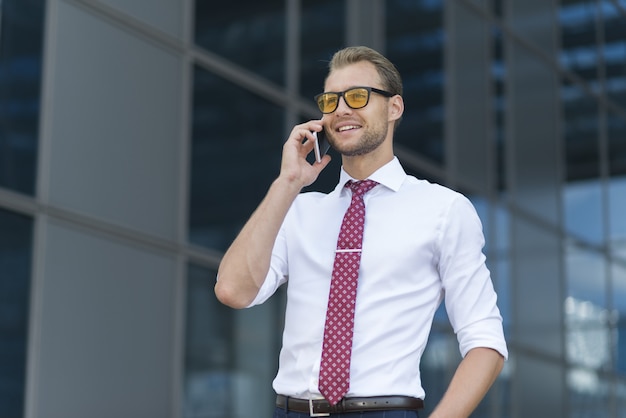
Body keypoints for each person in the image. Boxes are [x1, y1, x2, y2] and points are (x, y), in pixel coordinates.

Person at [215, 45, 507, 418]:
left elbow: (485, 342)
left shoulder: (443, 210)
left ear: (394, 108)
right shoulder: (298, 210)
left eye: (357, 96)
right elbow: (233, 291)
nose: (341, 109)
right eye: (330, 100)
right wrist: (288, 182)